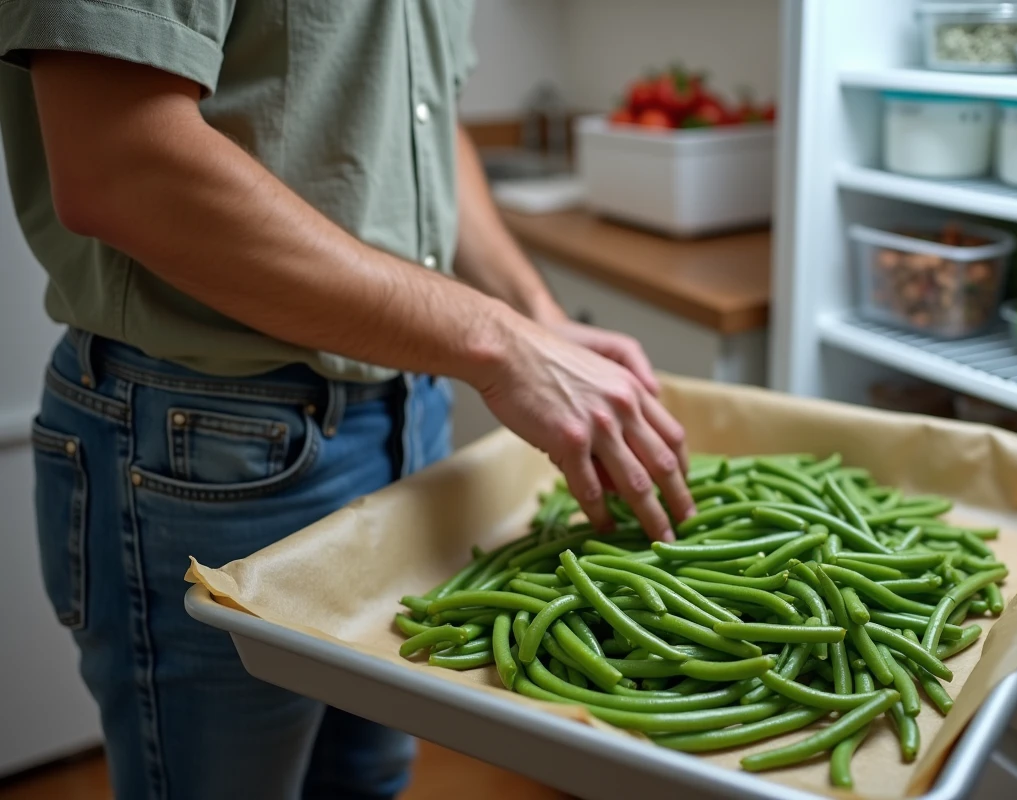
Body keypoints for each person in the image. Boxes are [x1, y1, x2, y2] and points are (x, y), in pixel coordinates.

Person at [0, 2, 696, 798]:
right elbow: (118, 159)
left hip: (408, 413)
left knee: (366, 781)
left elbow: (424, 123)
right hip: (211, 446)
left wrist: (538, 315)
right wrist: (498, 339)